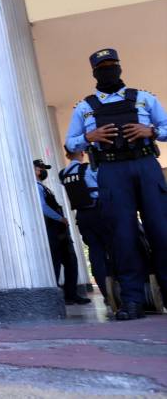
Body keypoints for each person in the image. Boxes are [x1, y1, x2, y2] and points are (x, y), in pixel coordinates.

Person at [65, 48, 167, 320]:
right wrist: (91, 136)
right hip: (110, 169)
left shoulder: (144, 98)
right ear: (94, 72)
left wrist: (152, 131)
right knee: (123, 236)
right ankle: (132, 301)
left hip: (145, 165)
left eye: (112, 65)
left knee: (162, 231)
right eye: (102, 67)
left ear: (120, 67)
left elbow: (166, 127)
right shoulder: (85, 107)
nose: (108, 70)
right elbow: (70, 143)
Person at [34, 159, 90, 305]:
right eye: (39, 168)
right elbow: (43, 207)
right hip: (52, 230)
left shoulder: (43, 187)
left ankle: (71, 294)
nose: (42, 171)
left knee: (70, 261)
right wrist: (60, 219)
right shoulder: (36, 187)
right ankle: (58, 296)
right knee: (56, 263)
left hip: (59, 231)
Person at [59, 147, 111, 302]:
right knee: (112, 250)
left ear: (67, 155)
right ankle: (117, 291)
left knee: (95, 254)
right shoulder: (88, 168)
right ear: (82, 153)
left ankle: (106, 294)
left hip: (82, 216)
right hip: (98, 212)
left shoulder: (63, 174)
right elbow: (103, 186)